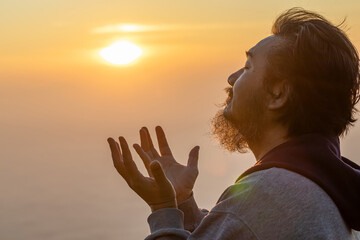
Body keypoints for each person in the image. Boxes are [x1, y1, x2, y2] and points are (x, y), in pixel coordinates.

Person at [107, 8, 360, 239]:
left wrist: (162, 208)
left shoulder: (265, 196)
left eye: (248, 67)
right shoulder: (329, 187)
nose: (231, 78)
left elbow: (248, 220)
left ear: (278, 94)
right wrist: (182, 202)